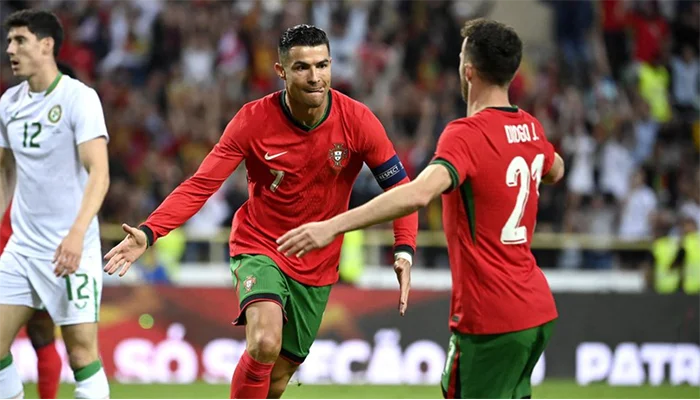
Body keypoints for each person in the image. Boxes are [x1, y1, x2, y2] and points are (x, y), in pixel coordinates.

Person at [102, 24, 418, 400]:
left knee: (278, 379)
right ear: (281, 71)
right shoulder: (253, 120)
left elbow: (402, 189)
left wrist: (404, 247)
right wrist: (151, 231)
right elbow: (202, 183)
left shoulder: (358, 121)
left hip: (317, 264)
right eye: (302, 67)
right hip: (261, 246)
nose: (315, 77)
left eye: (322, 65)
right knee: (264, 341)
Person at [277, 19, 566, 400]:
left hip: (491, 315)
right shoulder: (530, 128)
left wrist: (332, 226)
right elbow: (556, 169)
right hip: (537, 310)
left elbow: (416, 195)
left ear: (468, 71)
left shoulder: (466, 134)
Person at [0, 10, 111, 400]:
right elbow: (6, 173)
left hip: (70, 248)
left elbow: (99, 173)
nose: (10, 49)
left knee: (81, 354)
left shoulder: (79, 98)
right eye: (9, 41)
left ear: (46, 45)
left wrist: (77, 235)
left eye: (19, 41)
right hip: (22, 248)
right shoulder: (8, 103)